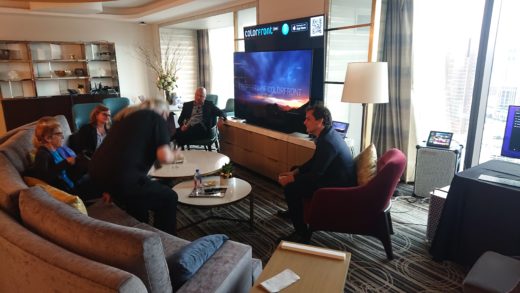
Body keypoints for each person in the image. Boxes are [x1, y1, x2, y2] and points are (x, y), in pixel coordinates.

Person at [88, 98, 178, 234]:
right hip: (123, 178)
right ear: (163, 112)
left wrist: (108, 188)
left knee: (137, 199)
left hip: (97, 174)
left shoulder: (124, 119)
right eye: (167, 114)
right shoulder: (156, 118)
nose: (166, 118)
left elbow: (121, 154)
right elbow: (164, 157)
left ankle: (139, 234)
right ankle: (166, 239)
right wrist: (174, 154)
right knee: (169, 197)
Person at [277, 105, 356, 243]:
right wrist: (296, 171)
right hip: (332, 176)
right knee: (295, 169)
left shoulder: (327, 142)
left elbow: (316, 174)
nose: (304, 122)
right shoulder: (327, 134)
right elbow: (314, 161)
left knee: (291, 188)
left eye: (308, 119)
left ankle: (302, 234)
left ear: (320, 121)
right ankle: (294, 211)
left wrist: (292, 178)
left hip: (337, 186)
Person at [31, 116, 97, 200]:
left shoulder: (56, 151)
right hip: (68, 192)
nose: (63, 137)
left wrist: (77, 162)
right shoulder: (42, 154)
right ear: (48, 138)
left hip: (73, 185)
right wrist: (66, 162)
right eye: (59, 134)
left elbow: (65, 172)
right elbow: (44, 177)